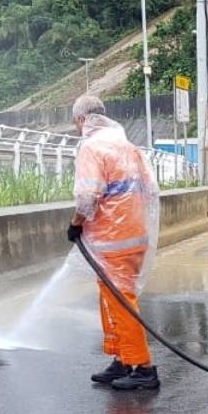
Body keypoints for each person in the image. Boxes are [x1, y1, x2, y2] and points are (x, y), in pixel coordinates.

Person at [66, 95, 161, 390]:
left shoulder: (91, 147)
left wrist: (75, 224)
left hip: (111, 241)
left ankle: (143, 367)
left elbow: (87, 196)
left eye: (75, 121)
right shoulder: (127, 145)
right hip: (135, 236)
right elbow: (150, 190)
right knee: (112, 300)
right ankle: (122, 358)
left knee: (121, 303)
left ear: (82, 119)